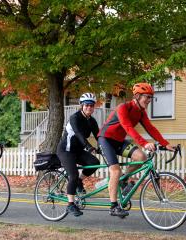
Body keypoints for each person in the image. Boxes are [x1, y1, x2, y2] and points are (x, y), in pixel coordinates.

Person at [98, 82, 175, 217]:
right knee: (115, 170)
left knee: (142, 158)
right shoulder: (123, 107)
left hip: (119, 141)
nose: (149, 101)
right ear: (138, 96)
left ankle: (122, 180)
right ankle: (113, 206)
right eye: (147, 97)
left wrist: (165, 143)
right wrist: (144, 143)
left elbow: (150, 128)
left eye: (151, 98)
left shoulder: (141, 112)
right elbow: (128, 127)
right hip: (106, 139)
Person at [57, 93, 100, 217]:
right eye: (86, 105)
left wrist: (103, 146)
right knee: (73, 175)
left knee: (94, 163)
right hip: (66, 150)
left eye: (91, 105)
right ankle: (70, 205)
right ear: (82, 105)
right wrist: (88, 146)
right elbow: (79, 133)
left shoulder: (92, 121)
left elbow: (99, 136)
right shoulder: (75, 118)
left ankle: (79, 182)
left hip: (78, 151)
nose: (89, 107)